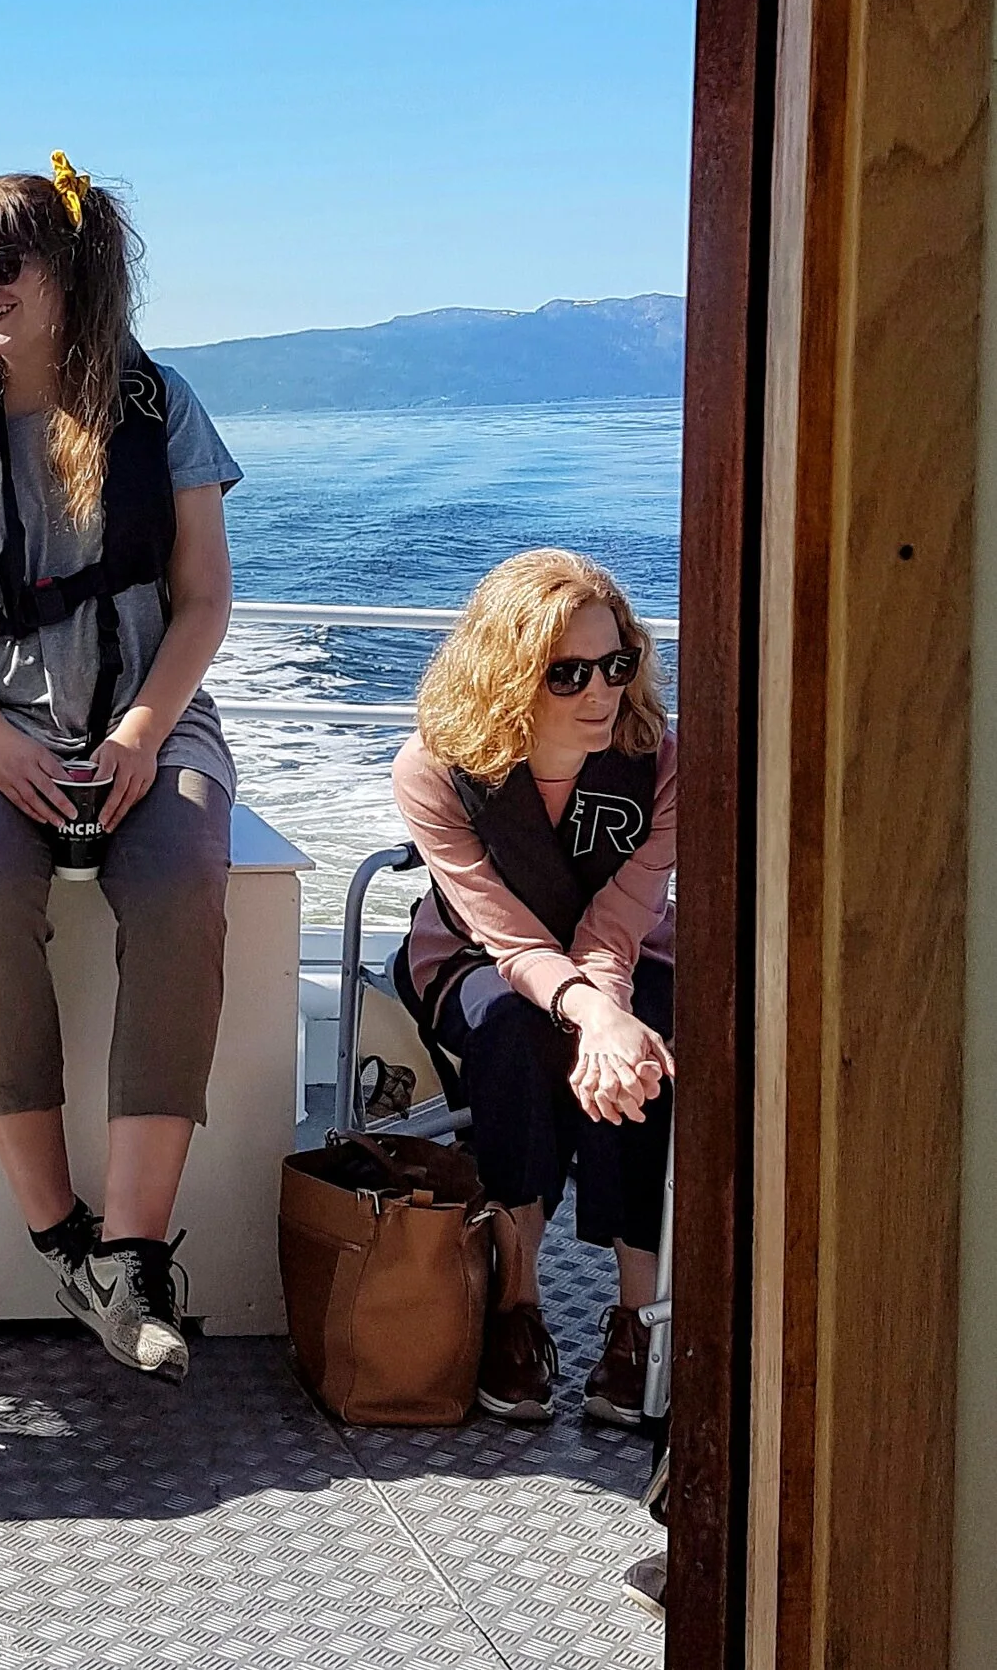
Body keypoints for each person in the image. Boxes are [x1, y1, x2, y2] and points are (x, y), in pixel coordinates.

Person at [0, 155, 240, 1383]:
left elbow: (200, 598)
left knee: (186, 872)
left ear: (70, 268)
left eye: (0, 263)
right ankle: (57, 1230)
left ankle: (134, 1252)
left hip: (147, 704)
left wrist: (137, 736)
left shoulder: (154, 402)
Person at [390, 547, 677, 1427]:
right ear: (512, 673)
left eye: (617, 665)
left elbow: (619, 921)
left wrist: (610, 1016)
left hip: (620, 961)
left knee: (653, 1042)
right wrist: (593, 1014)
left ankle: (636, 1321)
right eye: (569, 674)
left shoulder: (661, 762)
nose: (602, 693)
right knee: (515, 1030)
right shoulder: (436, 770)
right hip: (476, 961)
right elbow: (500, 929)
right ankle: (518, 1303)